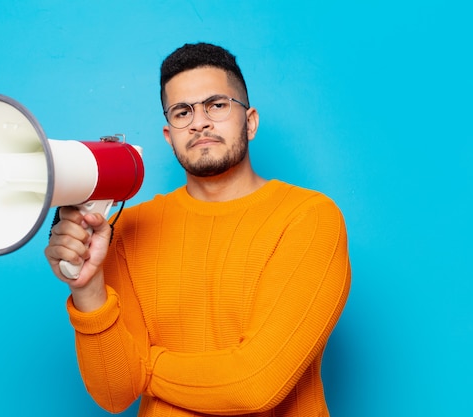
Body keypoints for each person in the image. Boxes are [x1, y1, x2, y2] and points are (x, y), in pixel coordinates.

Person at [45, 42, 351, 417]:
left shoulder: (309, 217)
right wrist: (87, 288)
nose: (199, 121)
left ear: (250, 121)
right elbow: (116, 392)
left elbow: (256, 384)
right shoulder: (129, 228)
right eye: (182, 112)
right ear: (168, 135)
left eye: (217, 105)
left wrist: (148, 366)